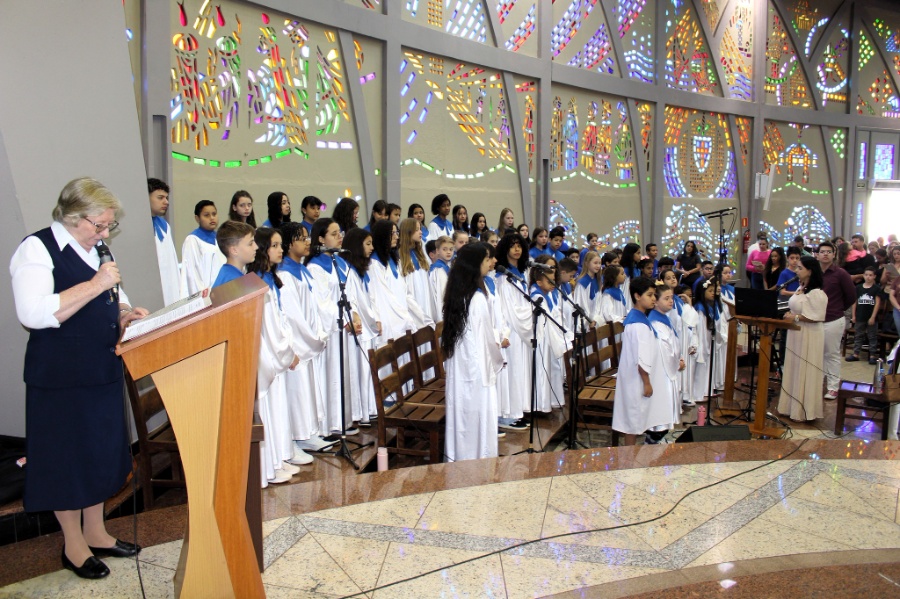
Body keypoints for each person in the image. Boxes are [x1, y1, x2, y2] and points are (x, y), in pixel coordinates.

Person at [10, 177, 148, 579]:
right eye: (99, 225)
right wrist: (94, 285)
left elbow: (112, 294)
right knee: (66, 461)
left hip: (100, 369)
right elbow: (34, 313)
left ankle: (98, 532)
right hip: (60, 378)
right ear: (72, 217)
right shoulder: (37, 249)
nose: (105, 234)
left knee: (98, 454)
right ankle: (73, 545)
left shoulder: (96, 249)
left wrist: (124, 313)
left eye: (109, 226)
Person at [247, 228, 302, 486]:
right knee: (267, 411)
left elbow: (280, 319)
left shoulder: (270, 276)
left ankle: (279, 458)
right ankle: (268, 465)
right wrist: (286, 353)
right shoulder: (257, 280)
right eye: (276, 245)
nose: (281, 249)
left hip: (276, 353)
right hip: (267, 356)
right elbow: (267, 327)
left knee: (277, 411)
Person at [442, 244, 505, 461]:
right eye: (487, 258)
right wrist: (499, 348)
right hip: (477, 365)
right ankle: (480, 458)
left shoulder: (459, 291)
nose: (492, 262)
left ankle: (460, 455)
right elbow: (486, 337)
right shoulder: (476, 297)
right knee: (477, 413)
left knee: (463, 412)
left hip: (462, 362)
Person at [306, 218, 362, 436]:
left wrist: (355, 314)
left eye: (340, 232)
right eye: (334, 233)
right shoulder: (314, 267)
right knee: (331, 375)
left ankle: (344, 420)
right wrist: (345, 321)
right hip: (332, 331)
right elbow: (321, 303)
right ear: (320, 239)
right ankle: (331, 425)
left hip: (345, 328)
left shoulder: (339, 262)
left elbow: (349, 293)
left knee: (344, 375)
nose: (340, 236)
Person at [277, 222, 329, 457]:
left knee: (308, 390)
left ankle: (308, 433)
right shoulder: (285, 274)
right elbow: (293, 317)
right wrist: (312, 338)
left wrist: (319, 332)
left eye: (308, 238)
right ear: (289, 244)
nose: (308, 242)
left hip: (310, 340)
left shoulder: (302, 269)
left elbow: (315, 306)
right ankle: (296, 439)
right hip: (298, 344)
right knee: (296, 392)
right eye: (302, 238)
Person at [777, 256, 827, 421]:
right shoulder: (801, 288)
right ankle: (790, 407)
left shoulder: (817, 293)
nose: (796, 270)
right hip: (796, 333)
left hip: (809, 334)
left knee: (805, 368)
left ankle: (804, 411)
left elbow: (817, 316)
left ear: (810, 271)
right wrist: (789, 315)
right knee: (794, 367)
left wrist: (795, 317)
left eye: (800, 268)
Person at [611, 277, 660, 446]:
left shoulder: (637, 318)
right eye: (650, 295)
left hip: (632, 376)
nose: (654, 298)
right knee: (632, 420)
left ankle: (629, 456)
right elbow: (641, 358)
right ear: (637, 296)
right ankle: (628, 458)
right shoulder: (638, 324)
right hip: (637, 378)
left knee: (632, 418)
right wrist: (647, 382)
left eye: (654, 295)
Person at [341, 228, 382, 426]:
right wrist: (358, 318)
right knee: (360, 371)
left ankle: (370, 408)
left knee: (368, 370)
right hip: (359, 329)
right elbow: (352, 301)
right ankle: (361, 412)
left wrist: (375, 318)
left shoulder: (362, 270)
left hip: (368, 325)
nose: (372, 248)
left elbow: (370, 298)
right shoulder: (348, 271)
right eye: (367, 244)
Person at [495, 233, 532, 429]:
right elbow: (508, 308)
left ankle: (517, 410)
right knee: (511, 373)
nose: (517, 249)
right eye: (513, 246)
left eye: (520, 245)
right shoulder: (503, 277)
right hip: (511, 329)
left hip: (521, 328)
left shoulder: (522, 272)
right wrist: (530, 314)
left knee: (519, 371)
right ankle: (506, 415)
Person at [645, 284, 684, 444]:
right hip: (661, 372)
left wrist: (679, 357)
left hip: (666, 369)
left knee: (664, 407)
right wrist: (676, 361)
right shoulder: (655, 323)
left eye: (672, 298)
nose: (671, 301)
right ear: (656, 301)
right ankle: (653, 437)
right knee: (660, 408)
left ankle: (656, 436)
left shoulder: (663, 318)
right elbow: (664, 349)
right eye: (666, 298)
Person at [528, 255, 566, 412]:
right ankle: (541, 405)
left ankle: (553, 400)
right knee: (544, 371)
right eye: (550, 281)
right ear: (539, 281)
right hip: (543, 338)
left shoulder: (548, 292)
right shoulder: (536, 294)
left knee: (554, 368)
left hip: (551, 336)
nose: (553, 284)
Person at [818, 241, 855, 400]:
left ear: (834, 255)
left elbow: (851, 296)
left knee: (831, 353)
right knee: (817, 354)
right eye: (822, 251)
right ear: (817, 255)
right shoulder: (814, 273)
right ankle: (818, 383)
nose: (825, 254)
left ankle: (833, 387)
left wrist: (838, 308)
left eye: (828, 251)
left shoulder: (841, 273)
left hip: (833, 318)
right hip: (815, 319)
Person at [148, 178, 186, 305]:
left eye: (166, 198)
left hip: (169, 286)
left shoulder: (164, 226)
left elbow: (171, 263)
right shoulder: (141, 225)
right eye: (160, 197)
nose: (166, 202)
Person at [181, 200, 226, 295]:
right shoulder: (193, 240)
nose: (212, 218)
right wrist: (202, 294)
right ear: (197, 218)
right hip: (205, 293)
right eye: (206, 215)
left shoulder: (220, 238)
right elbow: (192, 273)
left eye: (214, 214)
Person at [398, 217, 435, 324]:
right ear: (408, 232)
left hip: (425, 301)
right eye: (417, 229)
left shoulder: (420, 253)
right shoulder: (401, 257)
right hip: (413, 305)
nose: (420, 232)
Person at [847, 266, 882, 364]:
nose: (868, 277)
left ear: (874, 276)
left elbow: (877, 303)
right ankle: (856, 354)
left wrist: (873, 317)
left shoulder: (876, 289)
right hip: (860, 316)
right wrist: (853, 315)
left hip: (871, 316)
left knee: (872, 336)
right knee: (858, 335)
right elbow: (855, 302)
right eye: (866, 275)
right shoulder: (858, 288)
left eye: (871, 275)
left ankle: (872, 355)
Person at [213, 220, 256, 287]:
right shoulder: (234, 282)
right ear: (234, 250)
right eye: (250, 244)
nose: (256, 247)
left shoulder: (226, 272)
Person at [428, 235, 454, 321]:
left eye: (451, 249)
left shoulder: (445, 268)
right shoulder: (438, 269)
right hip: (442, 315)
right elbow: (441, 296)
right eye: (444, 249)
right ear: (437, 251)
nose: (448, 252)